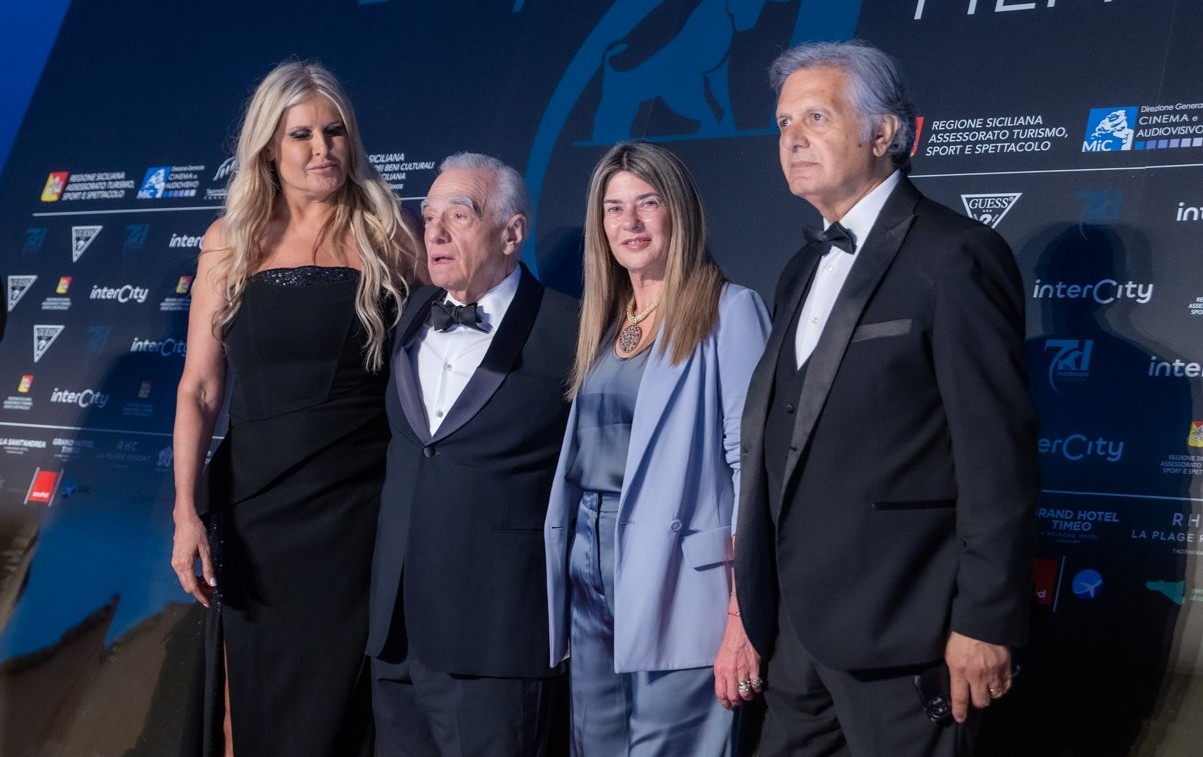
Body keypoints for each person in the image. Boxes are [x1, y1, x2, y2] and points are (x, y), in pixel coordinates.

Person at [734, 41, 1039, 756]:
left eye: (816, 116)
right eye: (783, 123)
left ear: (885, 132)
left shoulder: (955, 255)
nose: (792, 138)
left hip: (908, 635)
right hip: (797, 636)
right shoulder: (798, 269)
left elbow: (997, 458)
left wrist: (985, 621)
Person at [170, 60, 422, 756]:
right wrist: (185, 512)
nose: (322, 149)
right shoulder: (228, 241)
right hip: (254, 510)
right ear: (268, 147)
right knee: (245, 700)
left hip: (357, 509)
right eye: (301, 135)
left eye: (334, 131)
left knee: (340, 705)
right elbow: (199, 389)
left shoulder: (390, 230)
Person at [543, 141, 771, 755]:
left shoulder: (729, 311)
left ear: (680, 212)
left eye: (647, 203)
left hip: (680, 586)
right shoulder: (605, 323)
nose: (631, 222)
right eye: (614, 209)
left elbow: (752, 469)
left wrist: (741, 614)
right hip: (590, 576)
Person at [367, 152, 576, 756]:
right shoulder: (410, 315)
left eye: (458, 215)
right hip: (396, 634)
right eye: (429, 216)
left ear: (512, 233)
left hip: (495, 640)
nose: (434, 232)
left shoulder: (573, 330)